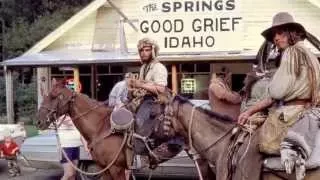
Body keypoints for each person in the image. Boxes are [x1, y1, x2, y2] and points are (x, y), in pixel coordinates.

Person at [238, 12, 320, 155]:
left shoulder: (291, 52)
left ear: (291, 33)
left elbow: (276, 93)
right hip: (309, 113)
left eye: (280, 33)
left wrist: (249, 111)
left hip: (292, 114)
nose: (276, 38)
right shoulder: (311, 55)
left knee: (258, 144)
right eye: (274, 35)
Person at [127, 38, 183, 169]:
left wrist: (140, 84)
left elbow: (161, 89)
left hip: (155, 101)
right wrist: (134, 88)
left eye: (147, 50)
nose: (144, 53)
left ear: (153, 51)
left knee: (141, 121)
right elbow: (142, 86)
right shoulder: (143, 67)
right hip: (143, 99)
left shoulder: (159, 67)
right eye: (142, 50)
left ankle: (144, 151)